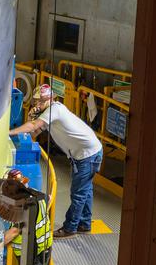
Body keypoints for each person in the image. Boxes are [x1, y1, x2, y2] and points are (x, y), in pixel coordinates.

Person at [9, 83, 103, 238]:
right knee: (85, 191)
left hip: (88, 155)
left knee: (78, 194)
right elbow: (35, 132)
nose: (38, 104)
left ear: (51, 99)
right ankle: (84, 224)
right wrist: (32, 118)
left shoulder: (55, 110)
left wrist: (10, 132)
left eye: (41, 101)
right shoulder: (50, 112)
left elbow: (33, 126)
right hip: (84, 154)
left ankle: (70, 228)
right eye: (36, 101)